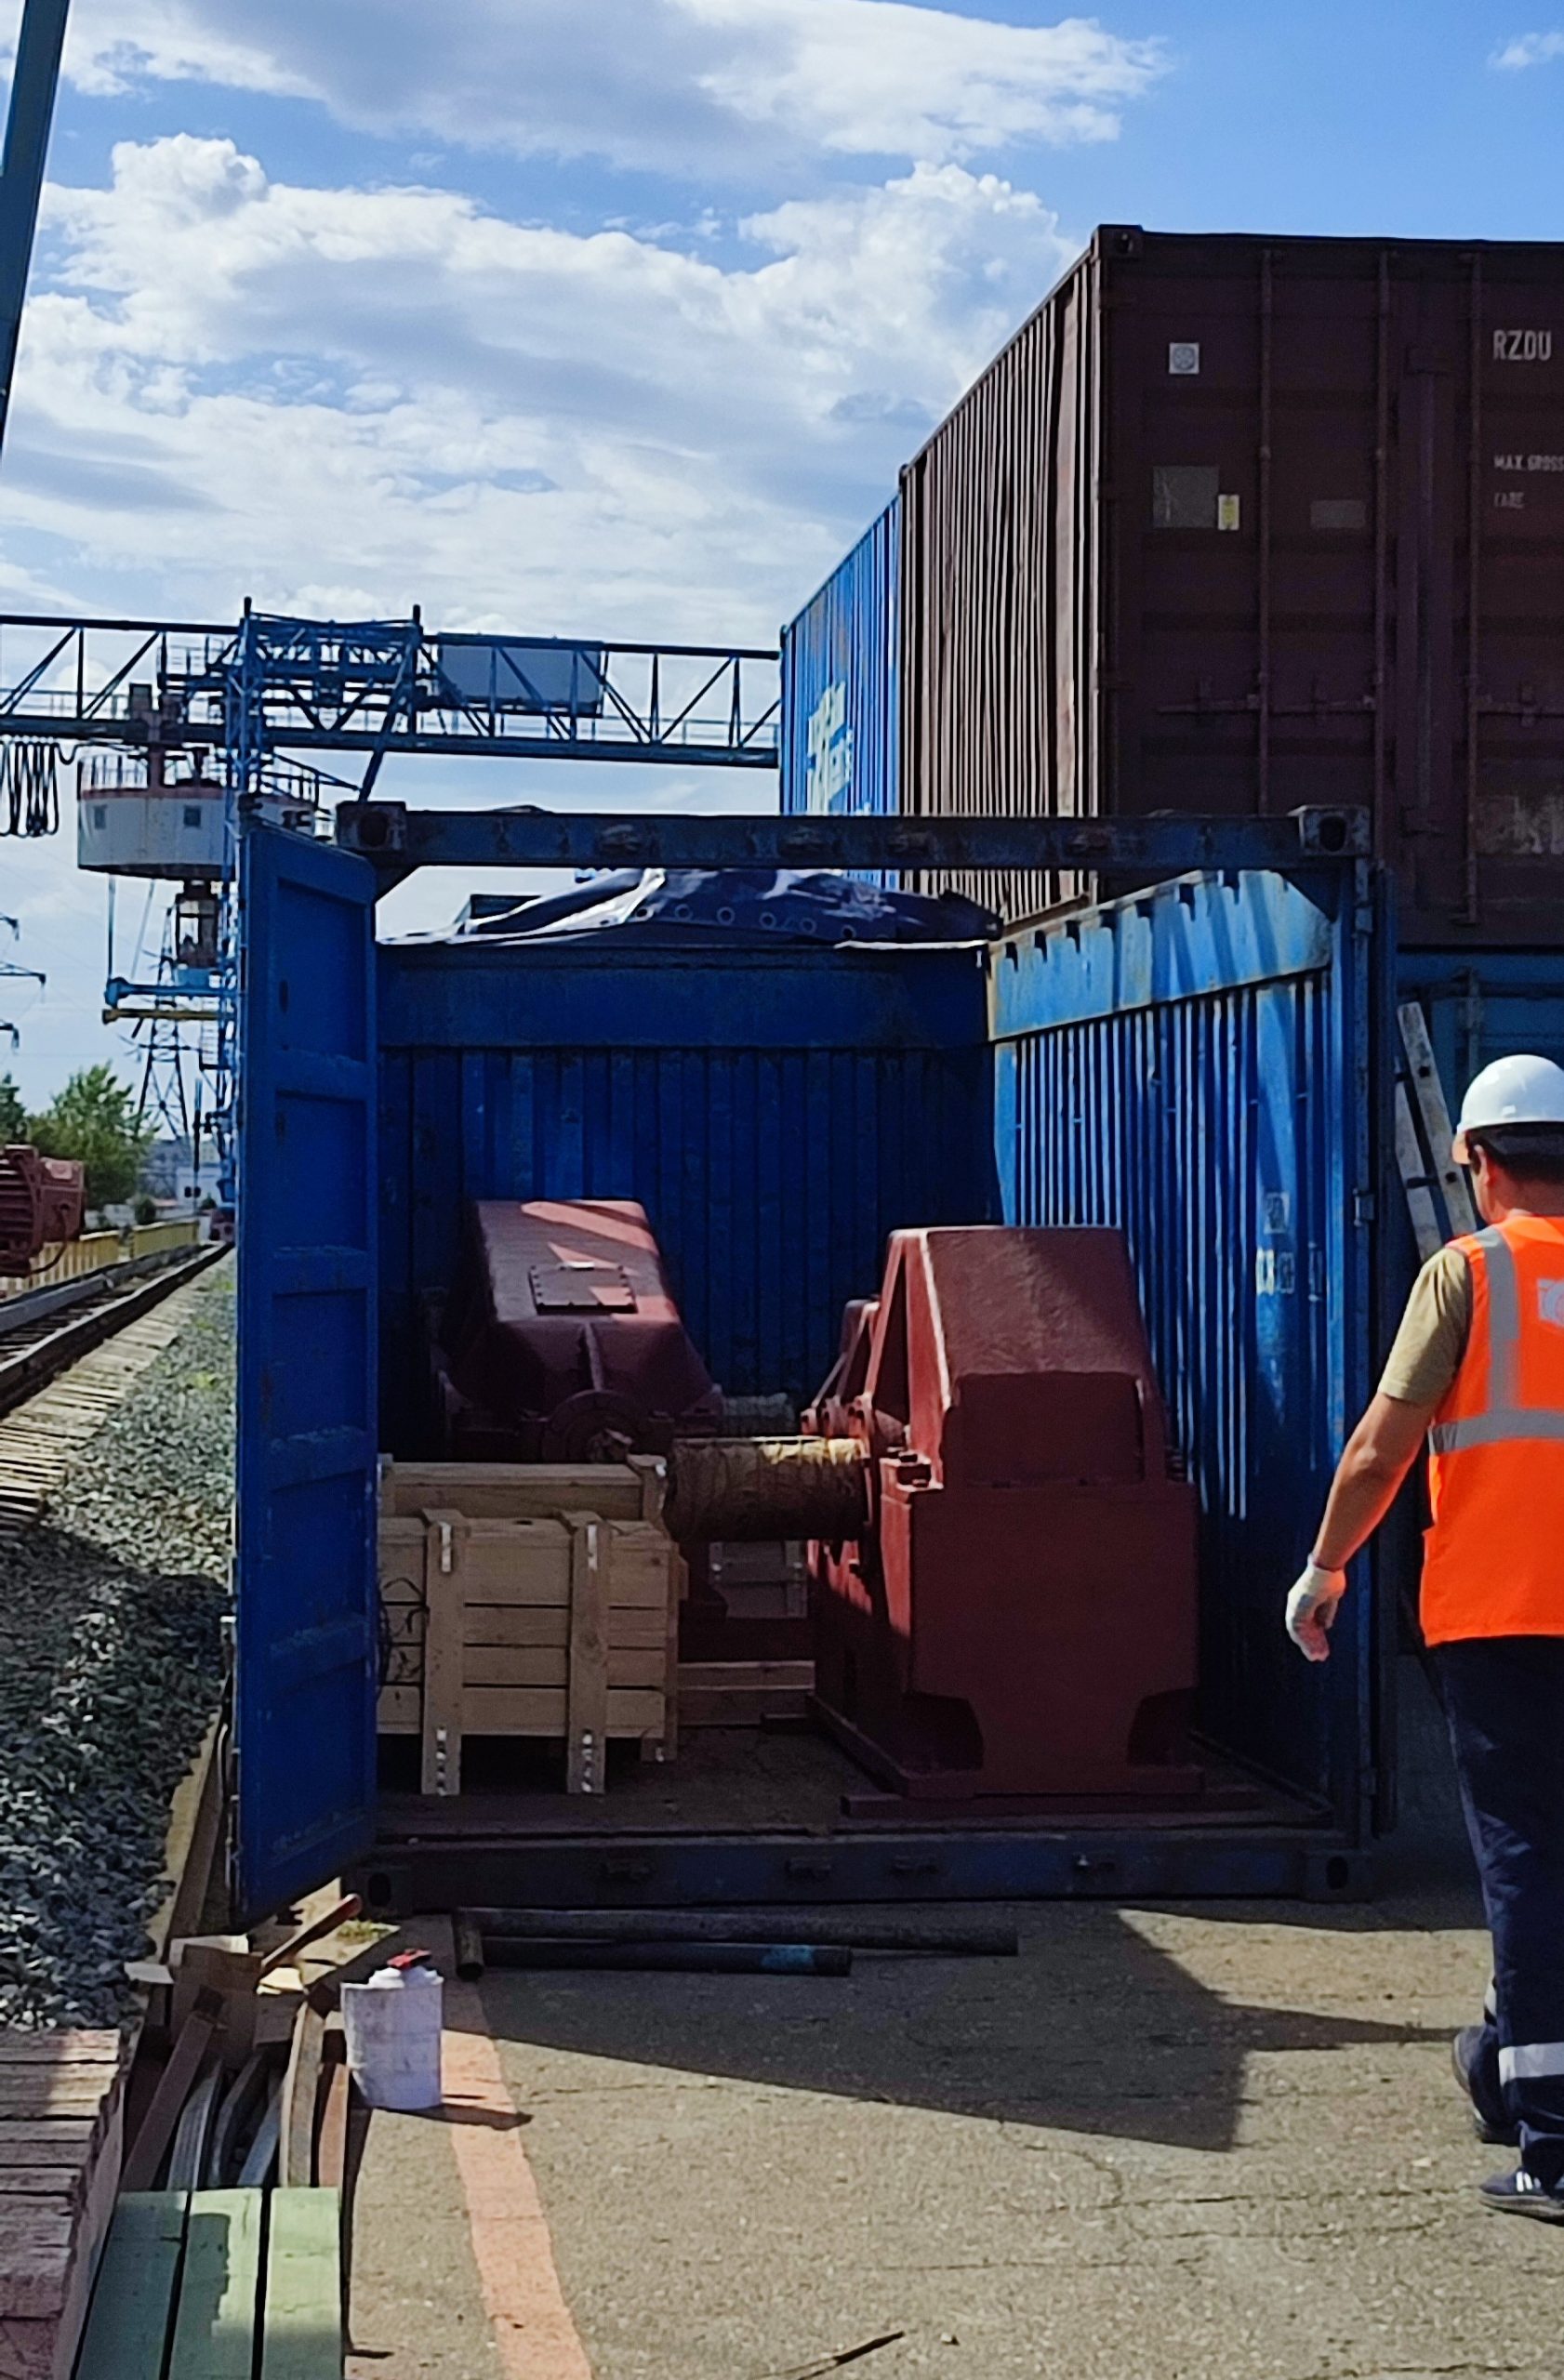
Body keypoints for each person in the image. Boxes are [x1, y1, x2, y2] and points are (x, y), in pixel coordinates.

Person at [1286, 1051, 1564, 2222]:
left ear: (1475, 1160)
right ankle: (1502, 2058)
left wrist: (1324, 1567)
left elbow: (1378, 1448)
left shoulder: (1466, 1273)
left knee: (1524, 1857)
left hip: (1499, 1618)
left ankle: (1551, 2143)